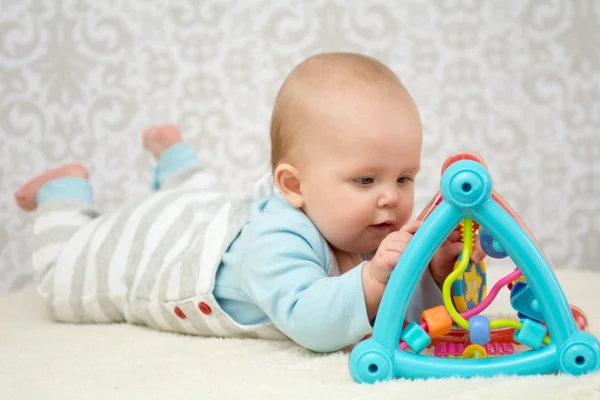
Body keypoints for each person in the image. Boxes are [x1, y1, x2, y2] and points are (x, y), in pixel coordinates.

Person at [15, 52, 484, 352]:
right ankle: (64, 191)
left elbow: (403, 312)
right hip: (164, 246)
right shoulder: (277, 239)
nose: (390, 197)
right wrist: (379, 275)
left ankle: (177, 161)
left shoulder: (362, 226)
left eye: (405, 177)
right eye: (365, 179)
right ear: (294, 187)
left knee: (200, 197)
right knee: (62, 281)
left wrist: (440, 273)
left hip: (213, 211)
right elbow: (313, 320)